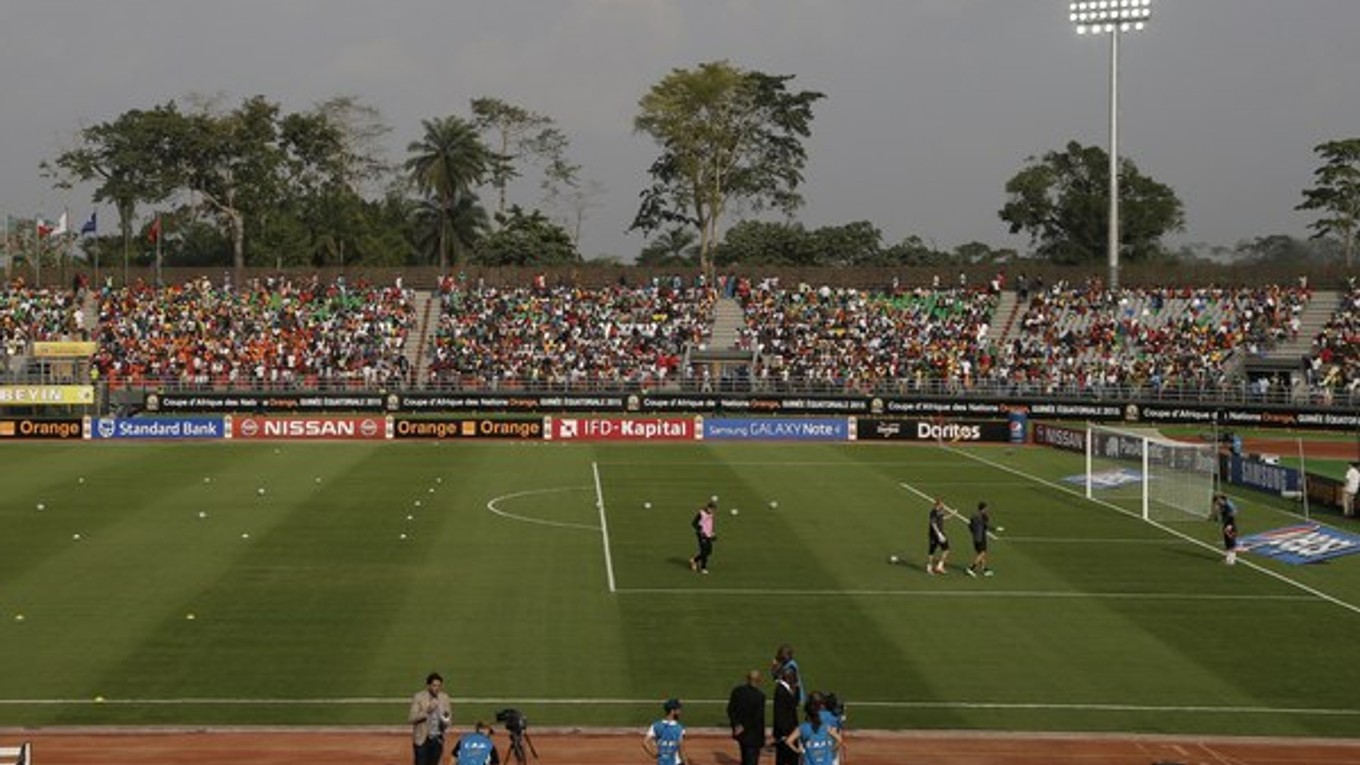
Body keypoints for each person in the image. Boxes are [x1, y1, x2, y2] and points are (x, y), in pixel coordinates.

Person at [408, 672, 452, 765]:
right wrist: (427, 711)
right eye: (434, 685)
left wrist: (445, 719)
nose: (437, 688)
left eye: (439, 686)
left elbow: (448, 719)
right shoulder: (419, 697)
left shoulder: (444, 698)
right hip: (422, 739)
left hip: (437, 739)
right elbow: (412, 718)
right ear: (428, 685)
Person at [782, 697, 843, 765]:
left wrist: (798, 751)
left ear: (807, 714)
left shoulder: (802, 728)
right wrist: (830, 750)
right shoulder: (826, 727)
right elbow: (839, 740)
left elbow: (788, 742)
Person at [727, 670, 766, 765]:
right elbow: (757, 718)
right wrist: (743, 727)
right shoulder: (760, 696)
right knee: (751, 761)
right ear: (759, 681)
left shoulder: (737, 691)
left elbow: (730, 709)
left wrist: (737, 725)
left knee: (744, 757)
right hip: (753, 736)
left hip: (741, 734)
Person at [643, 698, 687, 765]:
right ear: (672, 711)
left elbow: (645, 742)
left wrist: (653, 754)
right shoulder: (680, 728)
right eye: (678, 710)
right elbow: (681, 750)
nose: (680, 712)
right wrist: (686, 763)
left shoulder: (655, 725)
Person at [772, 668, 800, 765]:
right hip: (785, 732)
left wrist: (796, 688)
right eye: (794, 676)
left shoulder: (790, 688)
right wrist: (783, 734)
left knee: (792, 758)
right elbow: (779, 714)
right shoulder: (780, 690)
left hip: (791, 729)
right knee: (783, 759)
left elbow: (795, 703)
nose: (796, 679)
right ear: (788, 678)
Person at [690, 499, 717, 573]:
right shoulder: (701, 513)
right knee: (704, 551)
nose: (713, 511)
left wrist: (712, 532)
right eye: (712, 509)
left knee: (709, 551)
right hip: (701, 535)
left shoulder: (711, 514)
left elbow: (709, 523)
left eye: (714, 509)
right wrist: (700, 529)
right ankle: (703, 568)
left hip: (708, 534)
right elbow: (694, 523)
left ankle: (694, 560)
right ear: (708, 507)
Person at [967, 501, 994, 577]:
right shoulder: (983, 516)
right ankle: (971, 568)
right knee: (982, 553)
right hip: (981, 537)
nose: (987, 509)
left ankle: (984, 569)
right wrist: (994, 529)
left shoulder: (974, 515)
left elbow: (969, 525)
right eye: (986, 508)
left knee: (982, 553)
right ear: (983, 508)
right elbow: (986, 526)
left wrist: (973, 532)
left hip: (975, 537)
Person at [927, 498, 950, 575]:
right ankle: (929, 568)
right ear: (938, 505)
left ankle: (939, 567)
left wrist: (952, 515)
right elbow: (933, 524)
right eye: (942, 504)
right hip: (934, 535)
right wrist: (939, 534)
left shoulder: (940, 511)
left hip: (940, 534)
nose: (943, 505)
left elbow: (942, 519)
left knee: (946, 550)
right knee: (932, 551)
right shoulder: (933, 512)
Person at [1215, 493, 1239, 566]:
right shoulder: (1222, 506)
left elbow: (1234, 512)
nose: (1218, 501)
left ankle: (1232, 560)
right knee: (1227, 543)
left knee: (1231, 543)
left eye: (1219, 500)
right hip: (1226, 525)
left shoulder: (1228, 506)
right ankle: (1228, 559)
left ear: (1223, 499)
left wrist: (1229, 524)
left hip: (1230, 526)